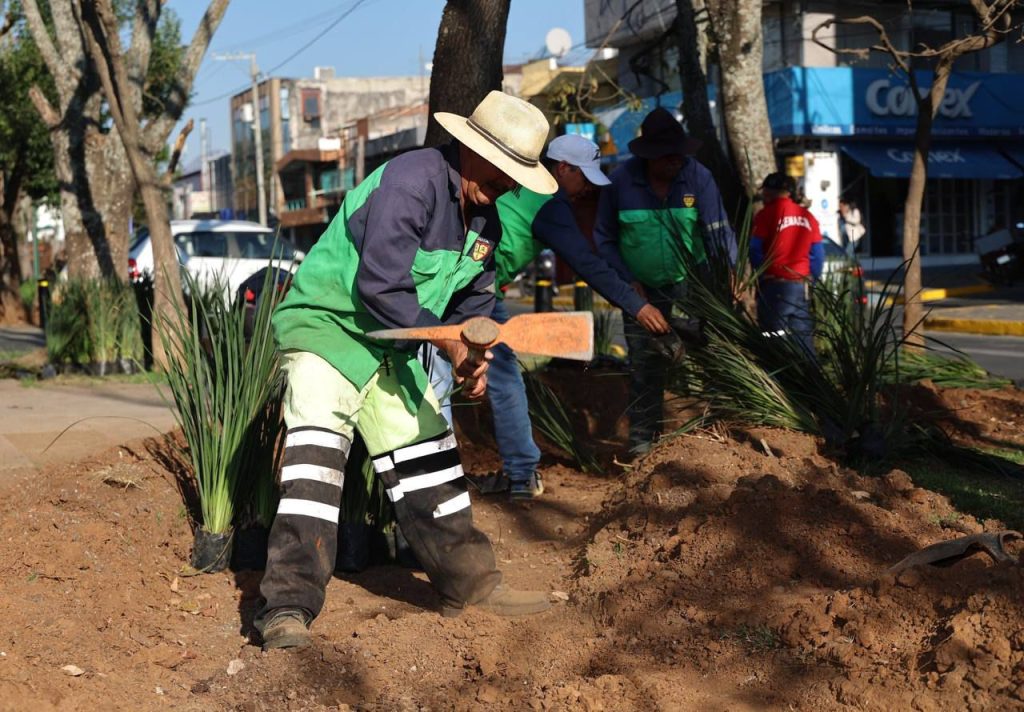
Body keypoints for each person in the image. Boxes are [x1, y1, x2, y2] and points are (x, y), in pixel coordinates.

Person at [256, 91, 558, 651]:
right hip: (329, 330)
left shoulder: (485, 223)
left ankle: (471, 587)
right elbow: (381, 286)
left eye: (517, 176)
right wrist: (448, 342)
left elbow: (472, 305)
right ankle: (286, 607)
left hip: (391, 349)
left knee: (431, 463)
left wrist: (473, 355)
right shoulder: (412, 181)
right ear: (473, 150)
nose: (508, 185)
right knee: (316, 465)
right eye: (503, 170)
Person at [426, 134, 672, 500]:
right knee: (457, 376)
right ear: (563, 169)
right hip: (466, 290)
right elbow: (586, 262)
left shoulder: (516, 181)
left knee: (479, 373)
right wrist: (638, 306)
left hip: (474, 285)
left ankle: (507, 474)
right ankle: (454, 482)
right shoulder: (549, 204)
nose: (587, 188)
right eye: (584, 177)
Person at [594, 107, 736, 454]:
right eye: (667, 156)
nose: (676, 161)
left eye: (679, 154)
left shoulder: (698, 177)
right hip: (641, 291)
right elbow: (604, 240)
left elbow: (718, 232)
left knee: (709, 357)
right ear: (648, 156)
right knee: (646, 368)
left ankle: (718, 440)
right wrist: (627, 281)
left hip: (692, 285)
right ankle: (644, 446)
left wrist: (729, 273)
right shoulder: (620, 183)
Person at [750, 172, 824, 356]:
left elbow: (754, 249)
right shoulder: (807, 216)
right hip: (800, 287)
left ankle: (777, 374)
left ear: (769, 192)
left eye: (765, 192)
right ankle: (810, 373)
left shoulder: (765, 215)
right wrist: (811, 279)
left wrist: (762, 272)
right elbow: (818, 255)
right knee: (803, 340)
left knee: (773, 342)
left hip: (774, 287)